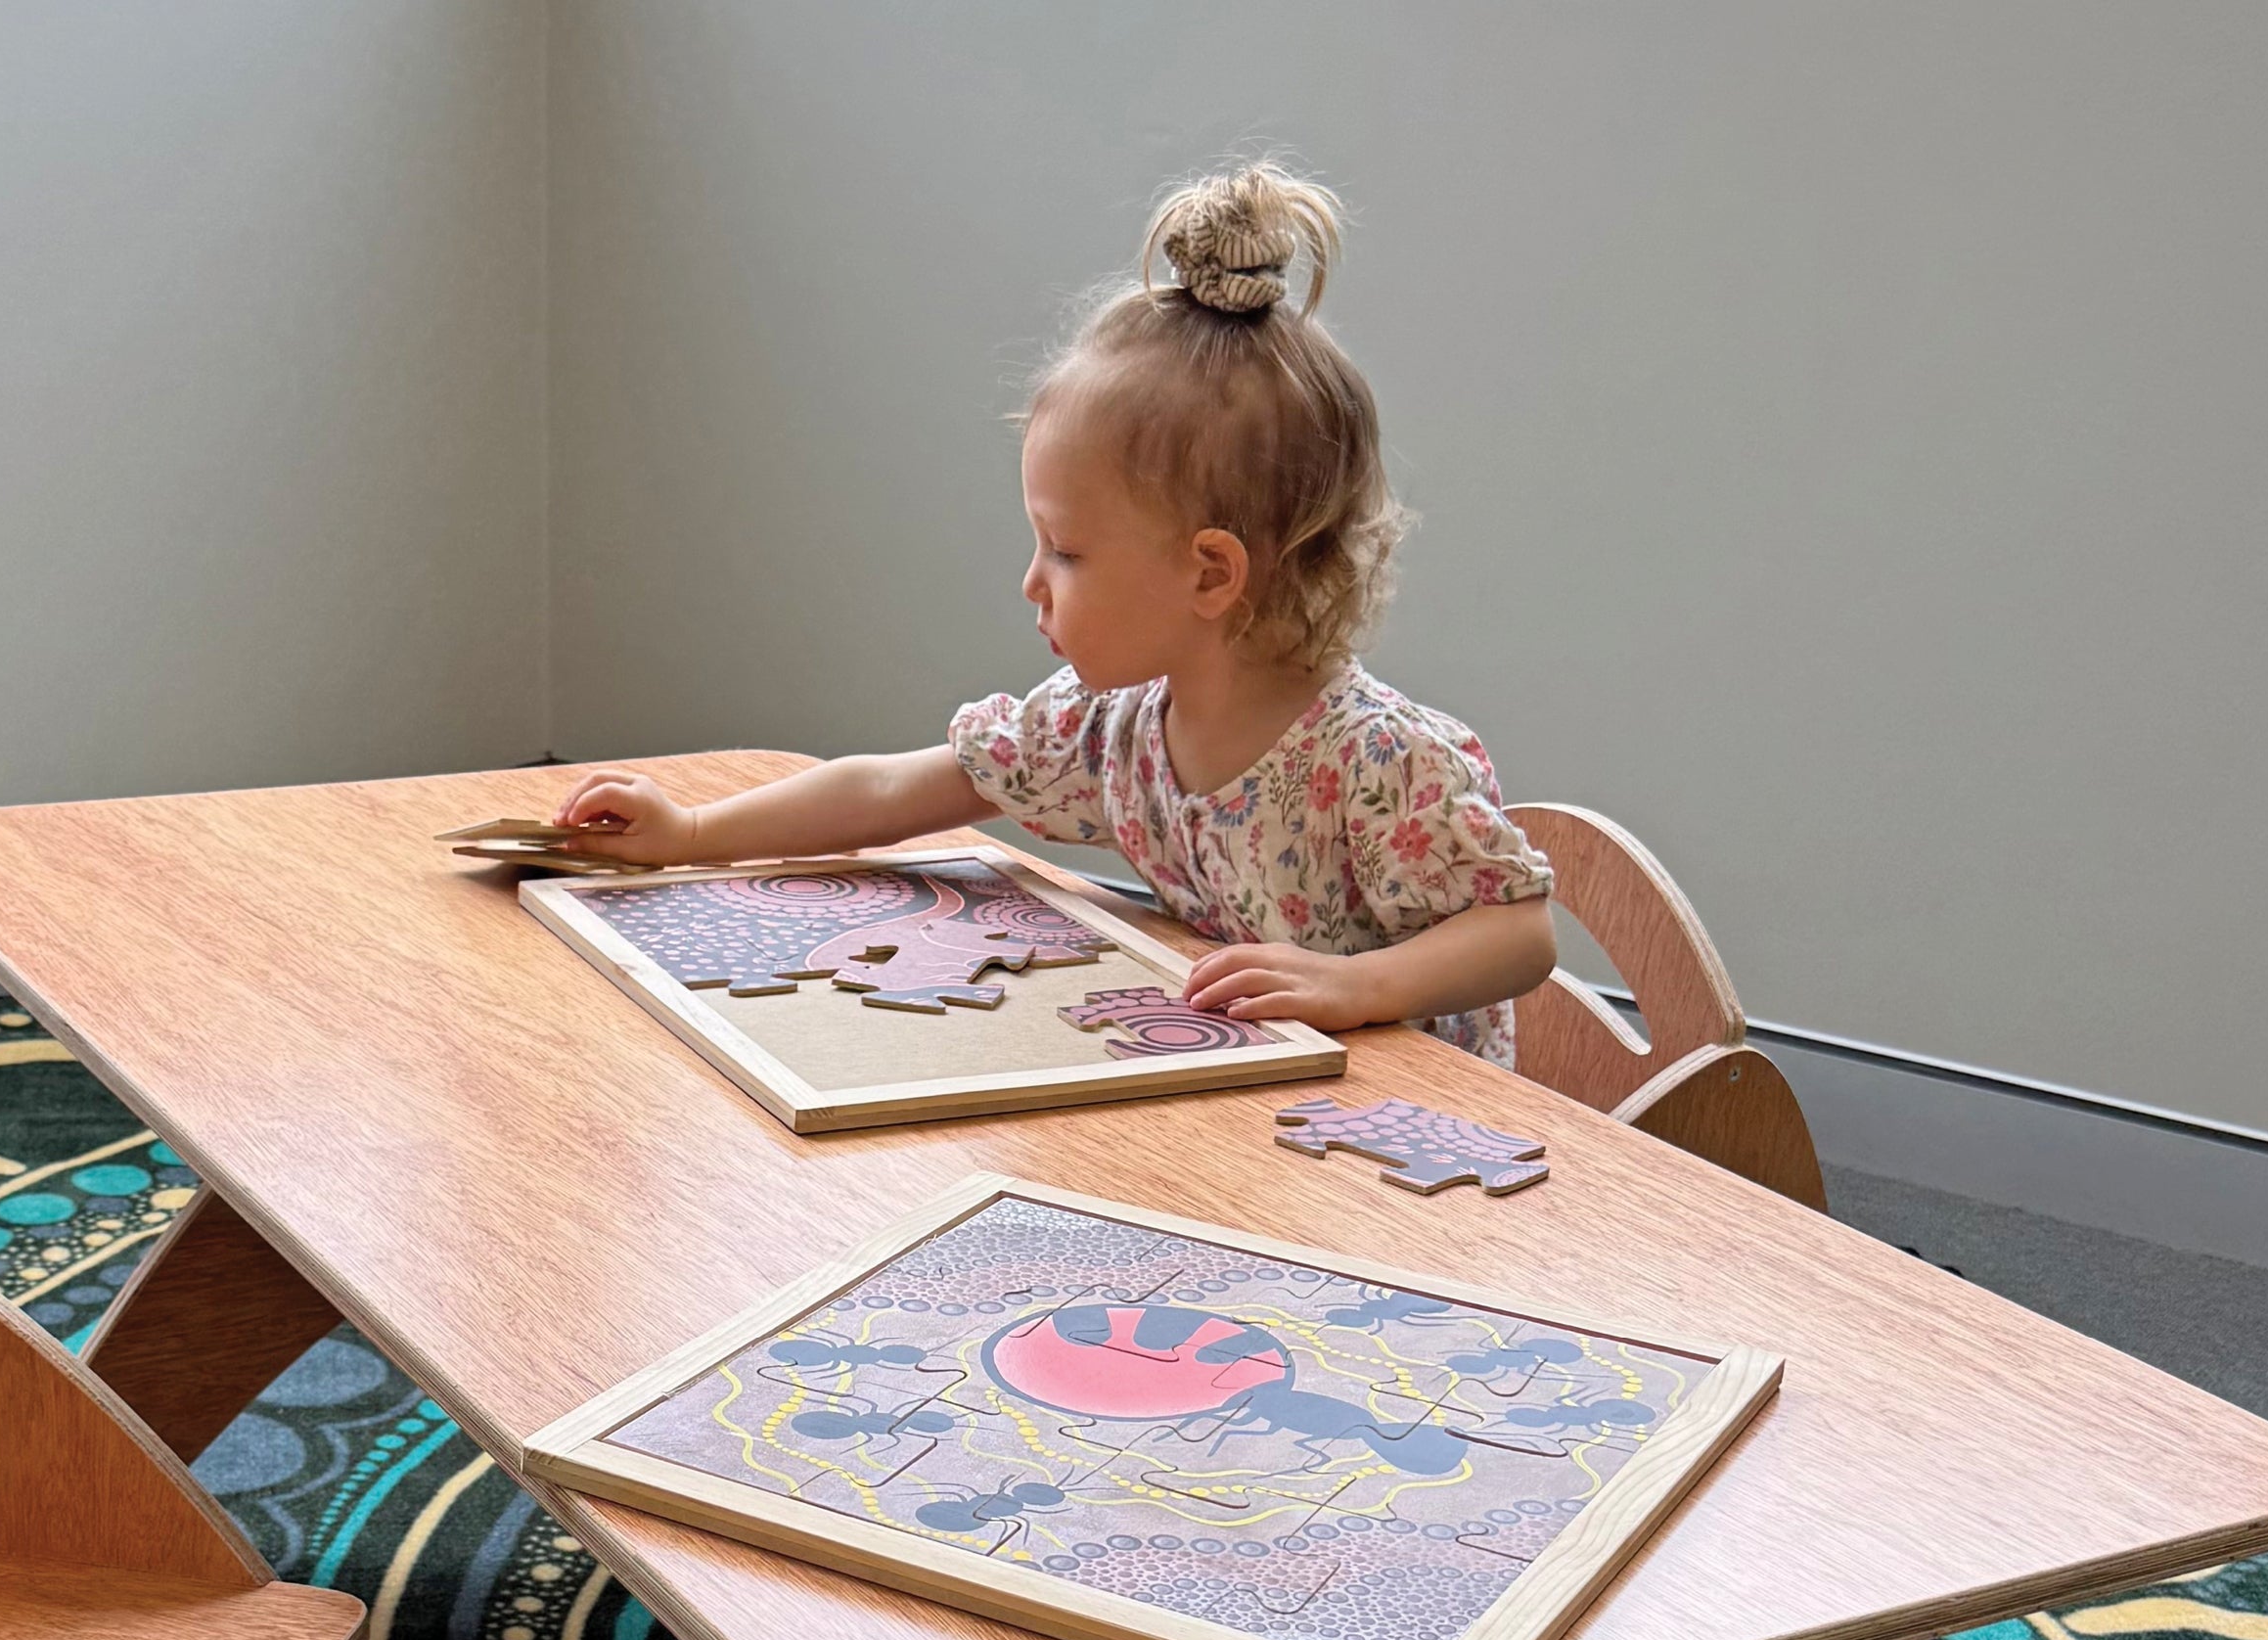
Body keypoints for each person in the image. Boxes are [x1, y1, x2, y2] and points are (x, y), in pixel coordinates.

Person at [557, 163, 1558, 1065]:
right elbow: (889, 793)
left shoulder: (1376, 764)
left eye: (1066, 551)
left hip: (1407, 1126)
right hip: (1252, 1103)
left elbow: (1517, 932)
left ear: (1211, 575)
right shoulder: (1110, 728)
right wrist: (687, 833)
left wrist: (1366, 985)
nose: (1031, 582)